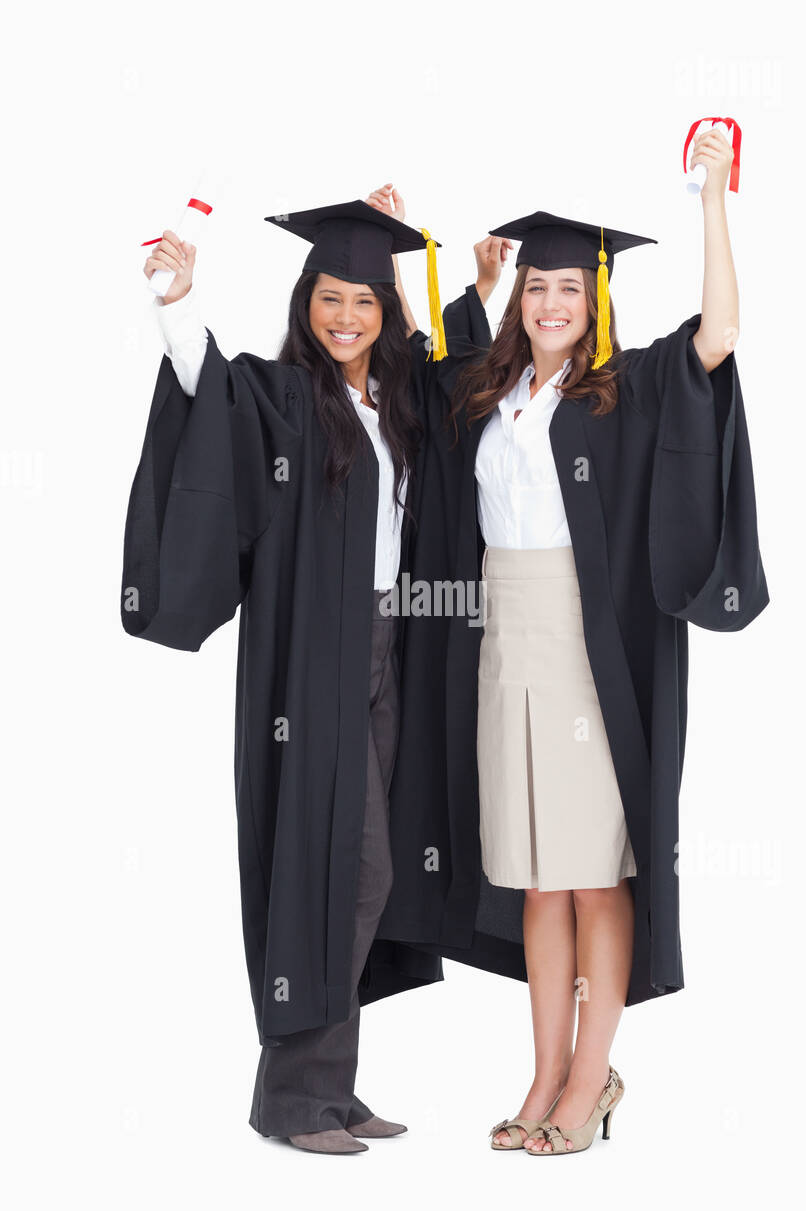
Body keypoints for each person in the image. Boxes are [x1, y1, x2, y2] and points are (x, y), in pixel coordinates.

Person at [370, 130, 770, 1156]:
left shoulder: (623, 389)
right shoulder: (487, 400)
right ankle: (543, 1071)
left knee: (597, 870)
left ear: (593, 300)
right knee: (536, 876)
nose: (550, 303)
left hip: (586, 648)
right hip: (501, 646)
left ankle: (591, 1079)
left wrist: (711, 198)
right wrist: (398, 256)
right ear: (519, 299)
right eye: (536, 287)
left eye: (567, 289)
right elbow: (404, 373)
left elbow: (717, 337)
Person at [121, 193, 450, 1154]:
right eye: (330, 299)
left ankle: (330, 1088)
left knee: (365, 873)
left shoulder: (397, 402)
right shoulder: (280, 395)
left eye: (366, 302)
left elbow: (445, 378)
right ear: (306, 300)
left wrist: (411, 240)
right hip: (316, 662)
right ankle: (292, 1096)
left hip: (395, 647)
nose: (345, 319)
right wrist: (179, 304)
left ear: (386, 314)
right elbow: (207, 387)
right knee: (344, 865)